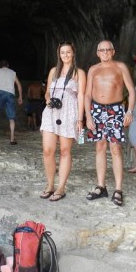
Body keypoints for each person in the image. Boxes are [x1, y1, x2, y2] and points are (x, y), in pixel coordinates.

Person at [84, 40, 136, 206]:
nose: (105, 52)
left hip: (116, 109)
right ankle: (101, 186)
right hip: (97, 109)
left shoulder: (120, 67)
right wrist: (88, 116)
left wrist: (129, 111)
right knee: (100, 146)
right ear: (97, 53)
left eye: (108, 49)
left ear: (113, 51)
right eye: (102, 50)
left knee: (115, 148)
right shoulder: (93, 69)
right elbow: (87, 94)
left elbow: (131, 90)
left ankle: (118, 189)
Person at [39, 42, 86, 202]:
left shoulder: (79, 73)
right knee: (48, 150)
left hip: (69, 113)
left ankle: (61, 187)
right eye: (62, 52)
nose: (65, 55)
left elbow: (81, 96)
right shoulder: (54, 71)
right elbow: (47, 92)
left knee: (65, 151)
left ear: (73, 53)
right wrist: (48, 99)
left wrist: (80, 119)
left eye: (68, 52)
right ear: (59, 55)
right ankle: (50, 185)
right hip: (51, 112)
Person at [0, 60, 23, 144]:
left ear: (0, 66)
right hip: (10, 94)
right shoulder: (13, 72)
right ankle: (12, 139)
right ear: (8, 65)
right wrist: (20, 96)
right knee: (11, 118)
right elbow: (19, 84)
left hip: (0, 93)